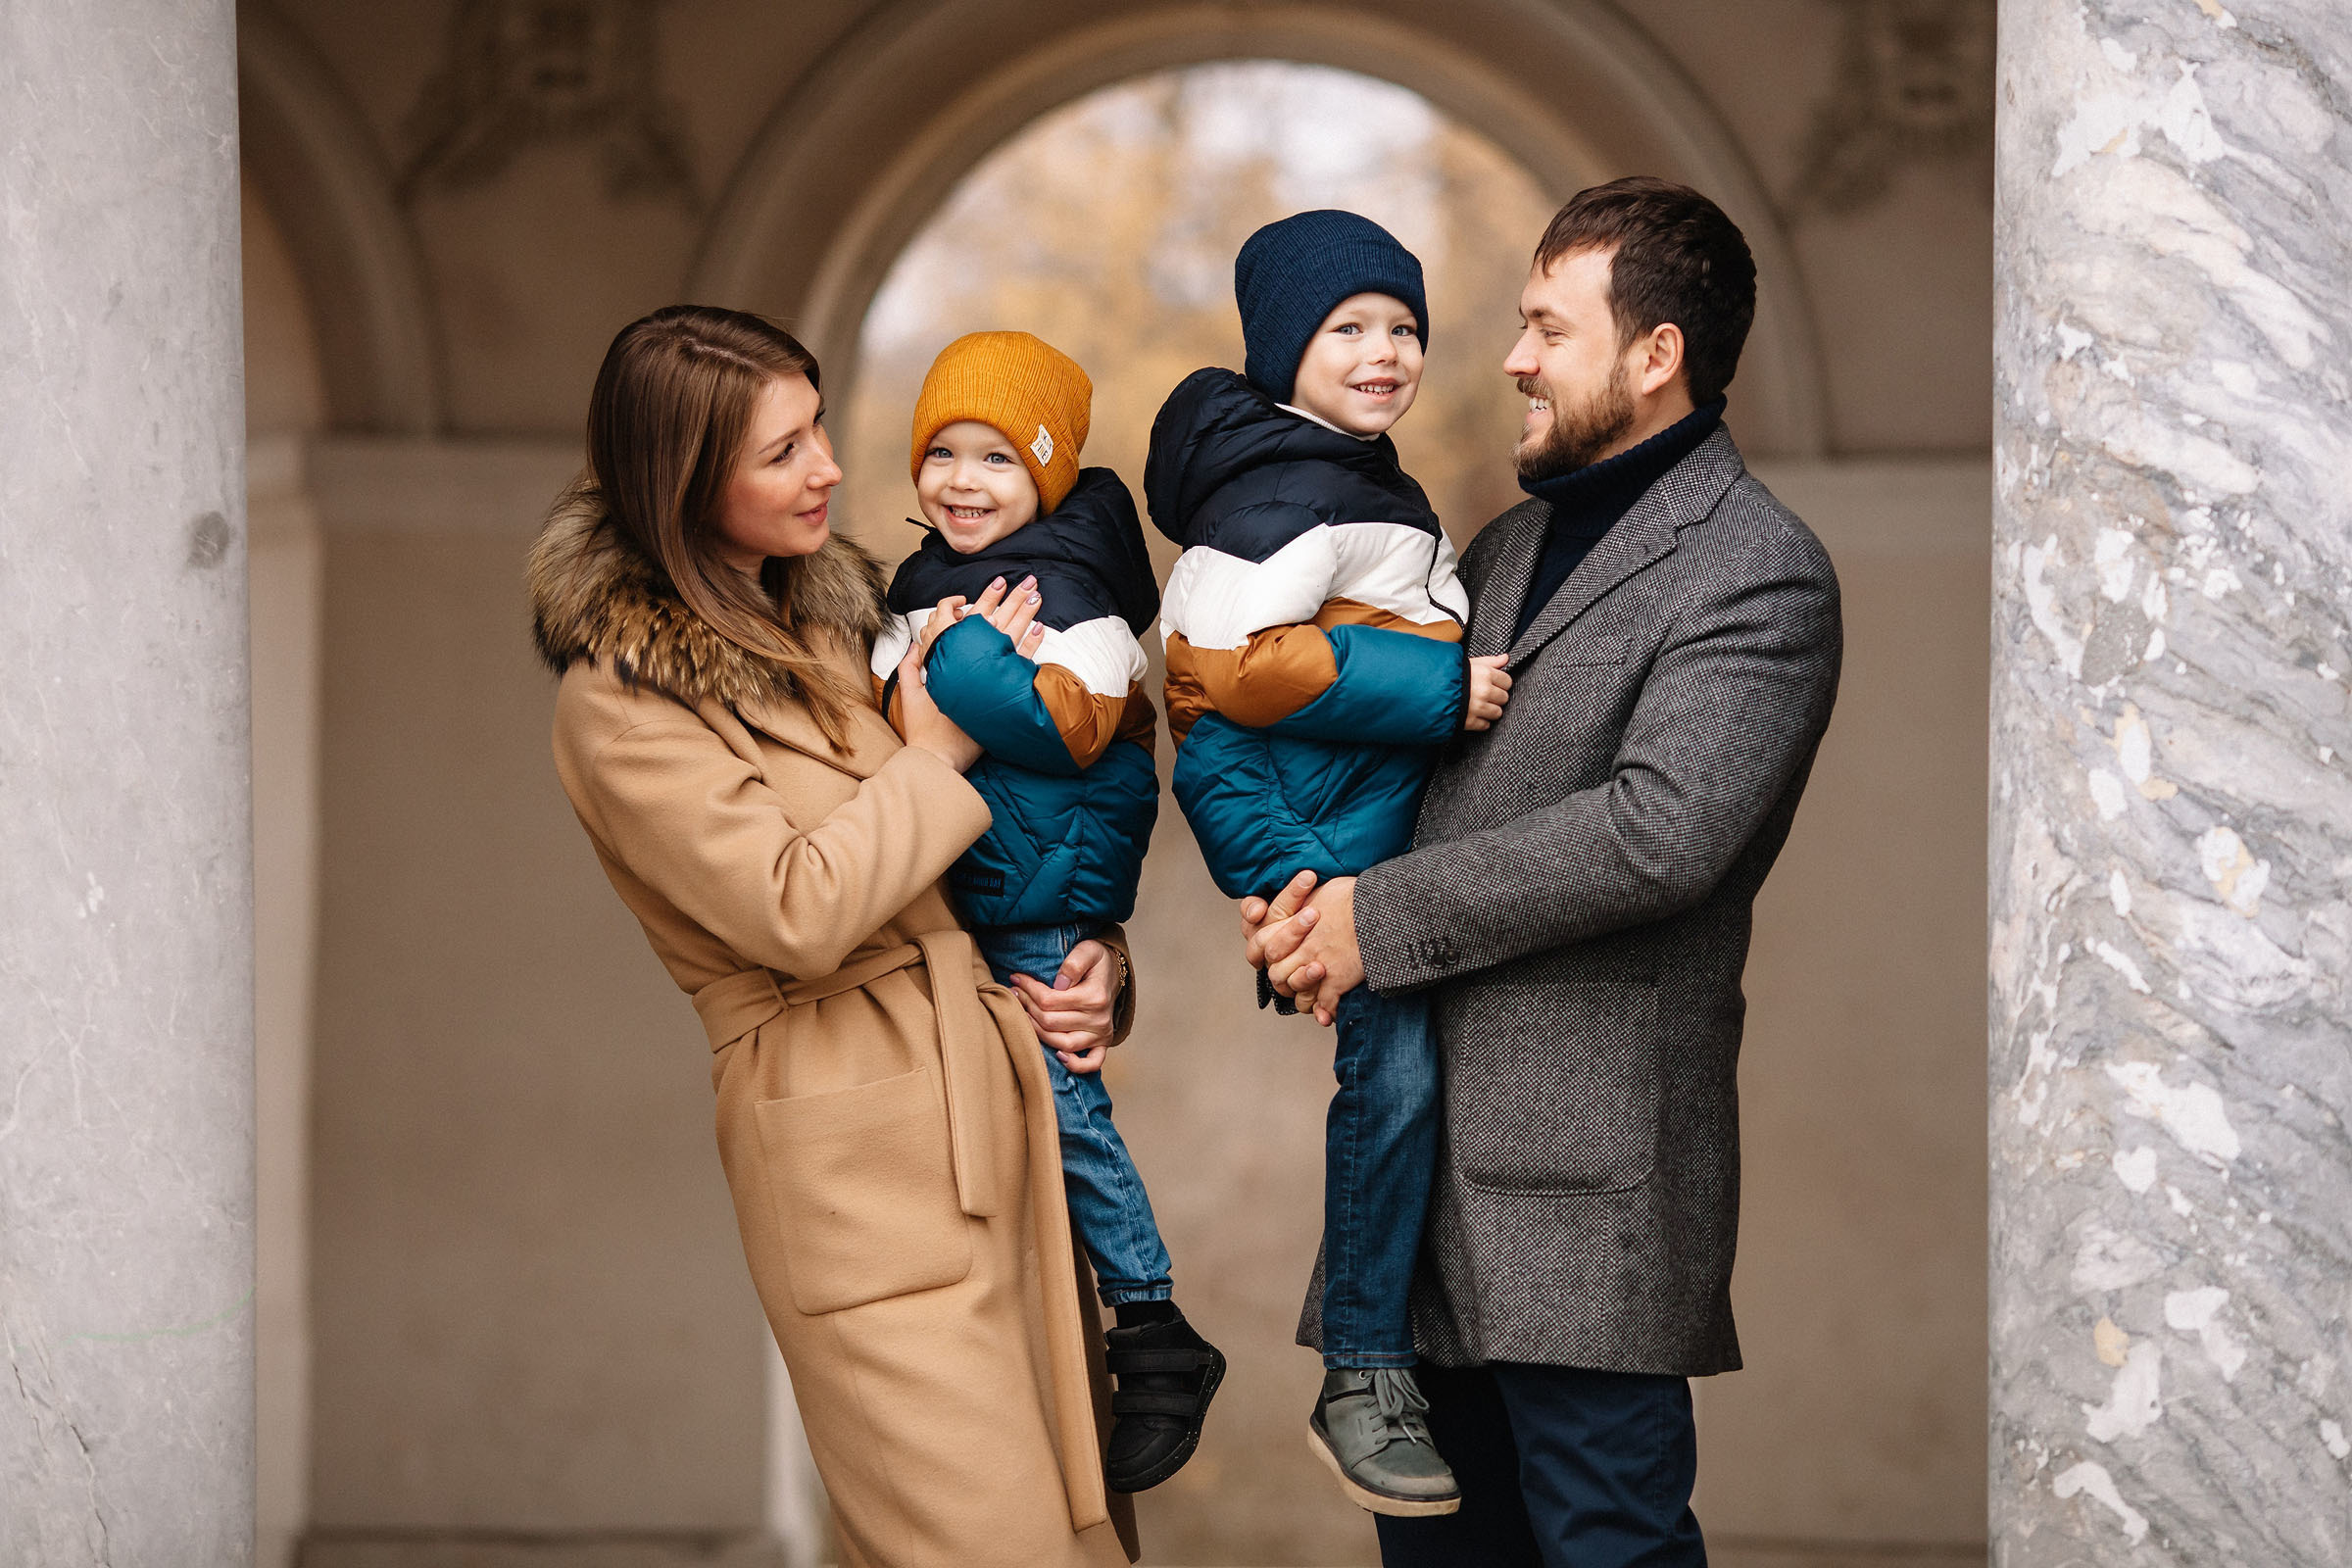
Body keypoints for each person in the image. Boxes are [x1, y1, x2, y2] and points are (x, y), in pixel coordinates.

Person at [1247, 177, 1844, 1567]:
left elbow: (1659, 833)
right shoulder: (1502, 550)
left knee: (1609, 1549)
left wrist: (1378, 916)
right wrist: (1299, 894)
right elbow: (1398, 775)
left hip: (1587, 1195)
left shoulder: (1759, 571)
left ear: (1655, 354)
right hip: (1413, 1193)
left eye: (1549, 329)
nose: (1514, 358)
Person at [530, 305, 1141, 1568]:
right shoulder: (621, 700)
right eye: (783, 451)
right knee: (979, 1546)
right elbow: (795, 909)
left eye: (817, 429)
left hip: (998, 1099)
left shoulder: (849, 619)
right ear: (686, 482)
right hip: (853, 1155)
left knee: (1075, 1534)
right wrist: (936, 751)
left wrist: (1095, 964)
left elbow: (1009, 834)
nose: (830, 468)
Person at [1144, 211, 1513, 1518]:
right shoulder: (1283, 491)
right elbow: (1230, 672)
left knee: (1409, 1082)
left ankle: (1391, 1357)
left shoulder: (1344, 473)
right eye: (1347, 326)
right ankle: (1360, 1370)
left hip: (1345, 824)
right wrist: (1440, 687)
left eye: (1404, 326)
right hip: (1320, 833)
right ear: (1282, 348)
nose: (1385, 351)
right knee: (1392, 1078)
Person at [871, 330, 1222, 1494]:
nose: (961, 481)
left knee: (1066, 1110)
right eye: (941, 453)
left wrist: (958, 660)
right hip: (971, 897)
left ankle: (1153, 1321)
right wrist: (933, 665)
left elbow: (1068, 723)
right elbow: (879, 718)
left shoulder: (1077, 596)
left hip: (1041, 900)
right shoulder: (917, 585)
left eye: (996, 458)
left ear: (1047, 473)